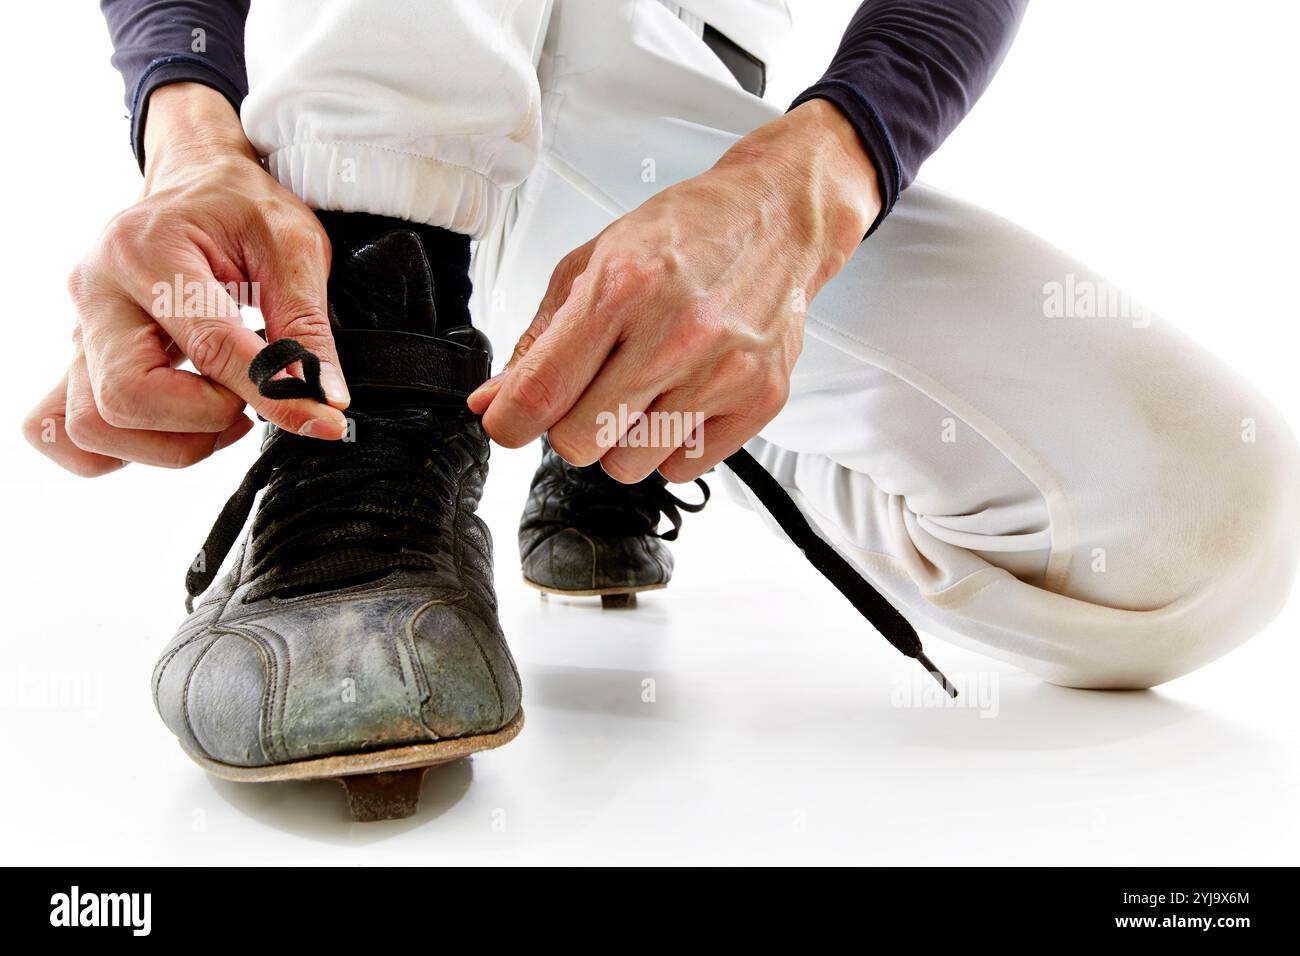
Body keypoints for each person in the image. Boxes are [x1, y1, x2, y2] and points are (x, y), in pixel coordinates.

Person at [23, 0, 1300, 820]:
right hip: (391, 71)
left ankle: (643, 403)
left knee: (1203, 524)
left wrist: (802, 194)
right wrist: (187, 121)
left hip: (671, 109)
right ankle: (374, 421)